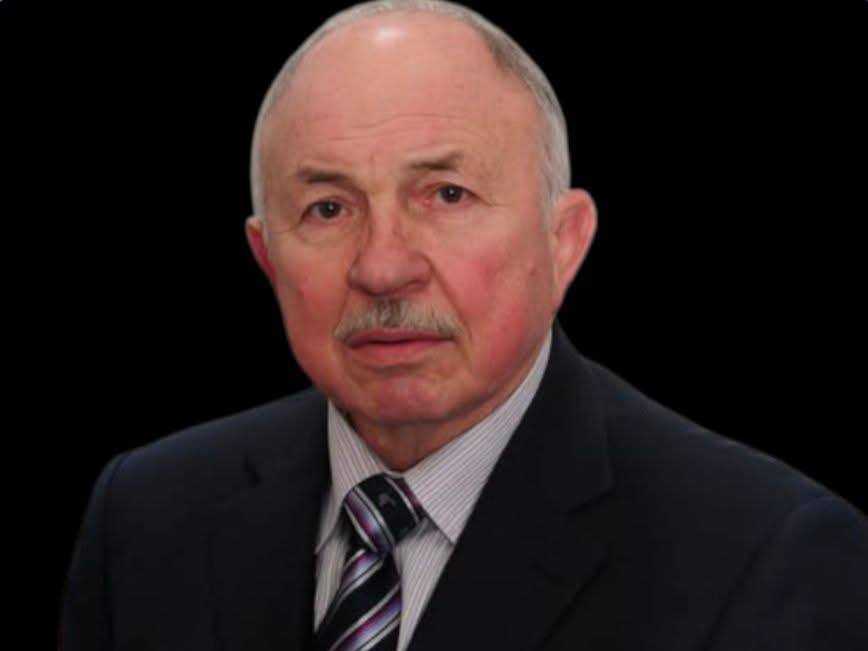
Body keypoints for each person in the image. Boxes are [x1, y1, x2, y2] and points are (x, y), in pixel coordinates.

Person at [61, 1, 868, 649]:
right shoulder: (145, 518)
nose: (383, 266)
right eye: (328, 208)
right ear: (267, 258)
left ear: (563, 242)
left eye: (446, 195)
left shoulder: (768, 557)